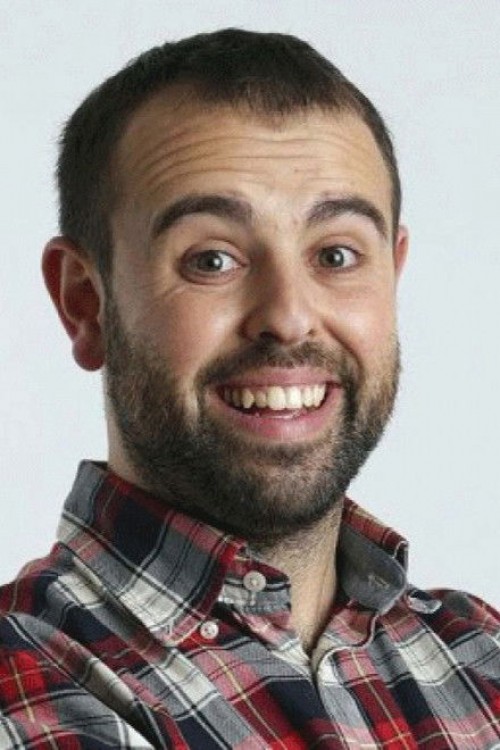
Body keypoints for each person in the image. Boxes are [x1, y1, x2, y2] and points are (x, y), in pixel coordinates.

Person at [0, 28, 498, 749]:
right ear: (86, 301)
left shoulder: (481, 654)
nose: (289, 317)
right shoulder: (25, 687)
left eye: (336, 255)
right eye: (212, 259)